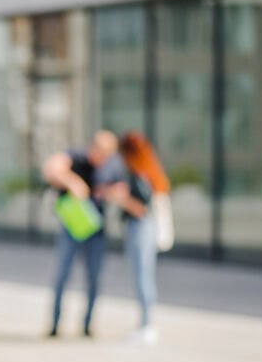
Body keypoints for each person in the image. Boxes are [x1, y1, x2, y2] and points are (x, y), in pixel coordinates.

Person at [42, 130, 126, 337]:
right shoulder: (76, 156)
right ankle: (55, 323)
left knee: (94, 277)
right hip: (71, 227)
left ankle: (88, 324)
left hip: (95, 230)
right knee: (62, 275)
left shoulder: (113, 166)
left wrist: (108, 192)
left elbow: (122, 190)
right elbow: (51, 168)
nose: (102, 158)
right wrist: (73, 182)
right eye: (100, 152)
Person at [115, 130, 172, 344]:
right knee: (144, 275)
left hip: (140, 228)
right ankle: (146, 323)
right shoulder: (149, 170)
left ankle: (147, 325)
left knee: (142, 276)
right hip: (145, 228)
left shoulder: (138, 175)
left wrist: (121, 198)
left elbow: (142, 209)